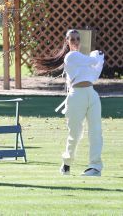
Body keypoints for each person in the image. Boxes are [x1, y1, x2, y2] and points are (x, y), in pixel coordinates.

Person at [34, 29, 104, 176]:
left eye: (78, 39)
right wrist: (97, 56)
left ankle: (95, 167)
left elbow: (94, 74)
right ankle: (66, 163)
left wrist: (100, 60)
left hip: (92, 94)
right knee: (75, 133)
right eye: (72, 39)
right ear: (67, 41)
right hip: (76, 96)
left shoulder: (81, 59)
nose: (76, 42)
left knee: (96, 132)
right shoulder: (71, 57)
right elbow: (92, 60)